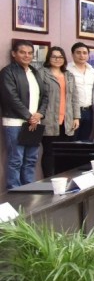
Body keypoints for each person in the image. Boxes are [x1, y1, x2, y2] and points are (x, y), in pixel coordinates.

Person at [1, 40, 47, 189]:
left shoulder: (35, 72)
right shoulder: (7, 72)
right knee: (16, 160)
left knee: (31, 159)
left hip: (34, 122)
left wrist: (40, 114)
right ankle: (14, 191)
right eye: (22, 52)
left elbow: (45, 96)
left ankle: (29, 189)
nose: (27, 56)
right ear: (14, 54)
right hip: (15, 123)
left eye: (30, 53)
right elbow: (11, 98)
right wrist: (29, 117)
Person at [38, 46, 79, 177]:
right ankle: (49, 181)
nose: (57, 59)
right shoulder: (41, 73)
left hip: (67, 121)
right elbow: (38, 96)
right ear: (48, 58)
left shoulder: (69, 75)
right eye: (54, 57)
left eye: (60, 57)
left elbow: (74, 97)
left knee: (65, 153)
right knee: (49, 153)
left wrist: (76, 117)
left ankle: (64, 180)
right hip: (49, 120)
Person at [68, 42, 94, 141]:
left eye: (85, 53)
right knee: (72, 140)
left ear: (88, 55)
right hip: (72, 111)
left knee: (85, 141)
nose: (82, 55)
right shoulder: (67, 69)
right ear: (72, 54)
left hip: (88, 110)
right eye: (78, 52)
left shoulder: (92, 71)